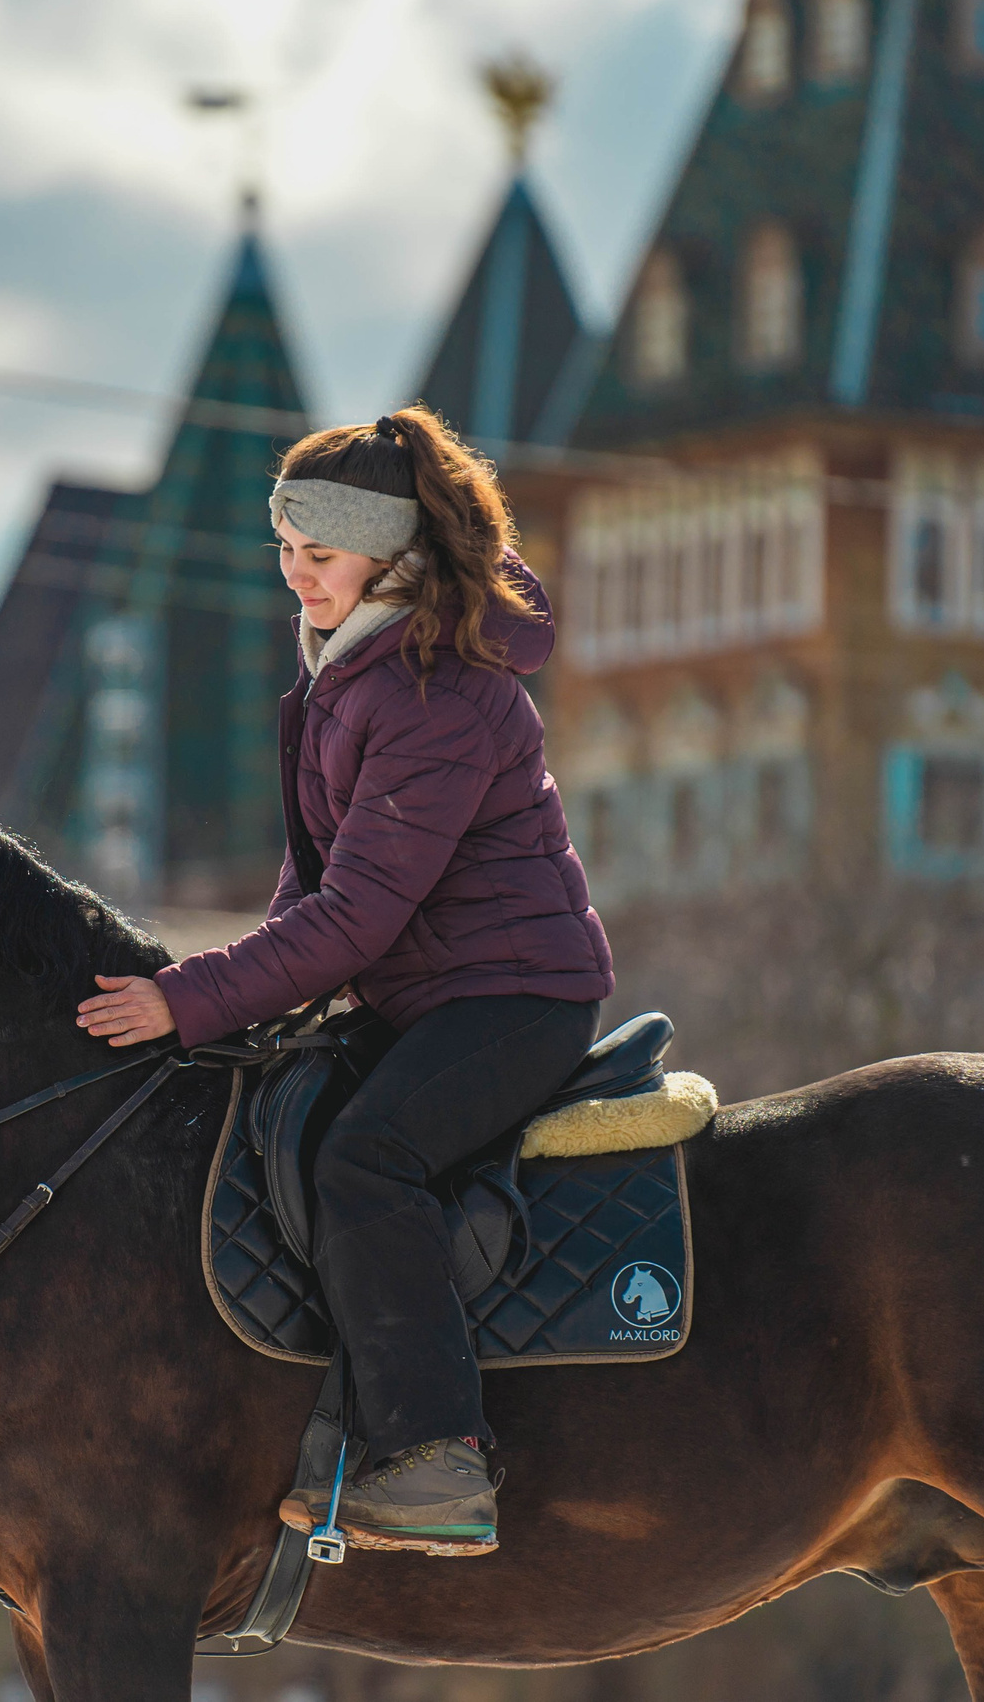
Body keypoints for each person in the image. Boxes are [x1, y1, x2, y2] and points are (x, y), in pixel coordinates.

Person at [74, 407, 613, 1555]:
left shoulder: (435, 695)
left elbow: (358, 915)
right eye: (285, 551)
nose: (295, 576)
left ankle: (435, 1463)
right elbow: (309, 881)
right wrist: (219, 1007)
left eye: (318, 555)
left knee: (366, 1158)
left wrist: (192, 996)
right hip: (423, 996)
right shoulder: (355, 670)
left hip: (513, 999)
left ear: (390, 556)